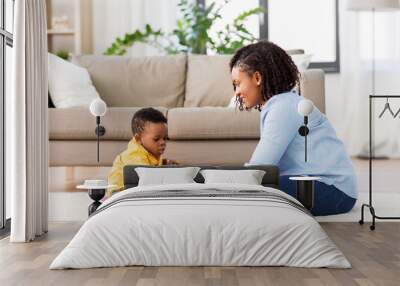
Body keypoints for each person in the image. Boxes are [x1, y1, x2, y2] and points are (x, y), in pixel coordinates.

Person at [230, 41, 357, 216]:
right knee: (249, 187)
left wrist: (227, 182)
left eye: (238, 83)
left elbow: (259, 168)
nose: (236, 92)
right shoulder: (282, 104)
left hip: (332, 190)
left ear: (257, 78)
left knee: (251, 188)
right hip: (333, 189)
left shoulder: (284, 107)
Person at [107, 107, 177, 196]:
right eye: (156, 139)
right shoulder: (134, 156)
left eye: (165, 138)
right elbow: (150, 180)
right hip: (119, 195)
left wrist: (164, 162)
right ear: (138, 138)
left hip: (136, 191)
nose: (163, 142)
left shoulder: (151, 151)